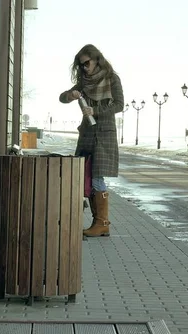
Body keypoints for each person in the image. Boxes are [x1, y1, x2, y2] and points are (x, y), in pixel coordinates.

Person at [58, 44, 124, 237]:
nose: (85, 67)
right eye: (81, 65)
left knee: (96, 176)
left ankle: (102, 223)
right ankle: (98, 223)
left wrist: (95, 110)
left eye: (87, 63)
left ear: (97, 59)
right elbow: (62, 98)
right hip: (87, 135)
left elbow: (119, 105)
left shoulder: (112, 79)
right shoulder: (84, 82)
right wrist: (70, 95)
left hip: (104, 135)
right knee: (82, 175)